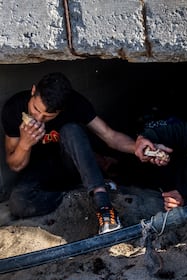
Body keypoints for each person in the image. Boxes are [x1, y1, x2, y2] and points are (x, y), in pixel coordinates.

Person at [1, 72, 138, 235]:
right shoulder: (15, 107)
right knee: (19, 203)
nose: (38, 118)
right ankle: (76, 196)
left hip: (71, 164)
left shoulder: (74, 103)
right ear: (33, 91)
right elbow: (14, 164)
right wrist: (25, 143)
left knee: (71, 129)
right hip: (40, 170)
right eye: (35, 109)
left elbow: (110, 136)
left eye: (47, 116)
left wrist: (137, 147)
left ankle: (104, 206)